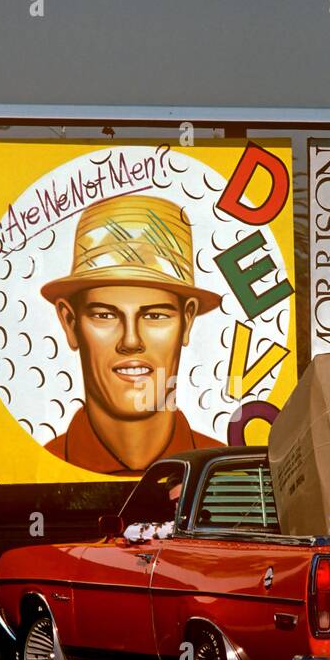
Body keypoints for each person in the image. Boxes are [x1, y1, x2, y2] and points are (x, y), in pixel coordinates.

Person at [41, 195, 224, 476]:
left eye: (155, 315)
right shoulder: (39, 466)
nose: (131, 341)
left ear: (187, 321)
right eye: (105, 315)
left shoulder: (226, 472)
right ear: (69, 322)